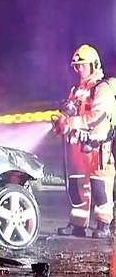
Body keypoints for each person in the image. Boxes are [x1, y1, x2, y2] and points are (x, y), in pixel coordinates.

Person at [55, 44, 116, 238]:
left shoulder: (102, 88)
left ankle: (103, 225)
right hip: (78, 149)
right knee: (77, 189)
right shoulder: (77, 90)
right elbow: (68, 111)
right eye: (76, 66)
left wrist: (73, 122)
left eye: (82, 65)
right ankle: (78, 225)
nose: (79, 69)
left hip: (98, 149)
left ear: (93, 65)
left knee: (100, 188)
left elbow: (97, 116)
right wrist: (61, 123)